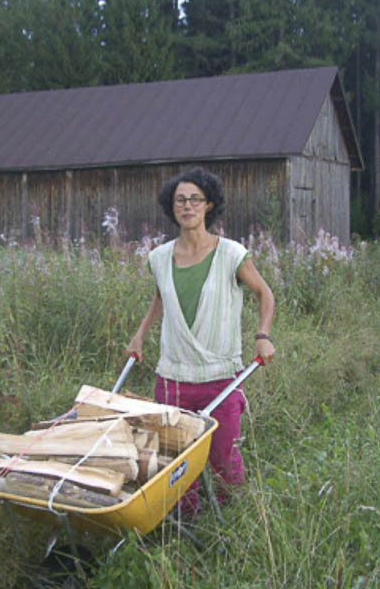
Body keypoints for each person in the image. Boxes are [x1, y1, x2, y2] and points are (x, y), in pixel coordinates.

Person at [125, 166, 276, 517]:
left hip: (221, 376)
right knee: (177, 458)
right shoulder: (160, 257)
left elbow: (264, 292)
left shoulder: (231, 254)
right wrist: (139, 335)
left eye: (195, 199)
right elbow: (161, 298)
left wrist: (262, 335)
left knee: (223, 456)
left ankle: (230, 520)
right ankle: (186, 519)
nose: (187, 206)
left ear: (209, 205)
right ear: (172, 206)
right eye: (180, 200)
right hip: (173, 376)